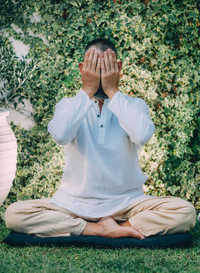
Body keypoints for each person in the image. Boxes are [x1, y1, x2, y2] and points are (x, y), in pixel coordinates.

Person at [4, 38, 196, 239]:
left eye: (106, 67)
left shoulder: (134, 105)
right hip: (73, 204)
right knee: (15, 214)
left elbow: (142, 135)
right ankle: (98, 229)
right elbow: (60, 135)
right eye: (94, 67)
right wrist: (87, 90)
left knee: (184, 212)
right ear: (82, 69)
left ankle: (118, 225)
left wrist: (113, 91)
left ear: (118, 68)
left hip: (127, 204)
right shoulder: (69, 105)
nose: (101, 74)